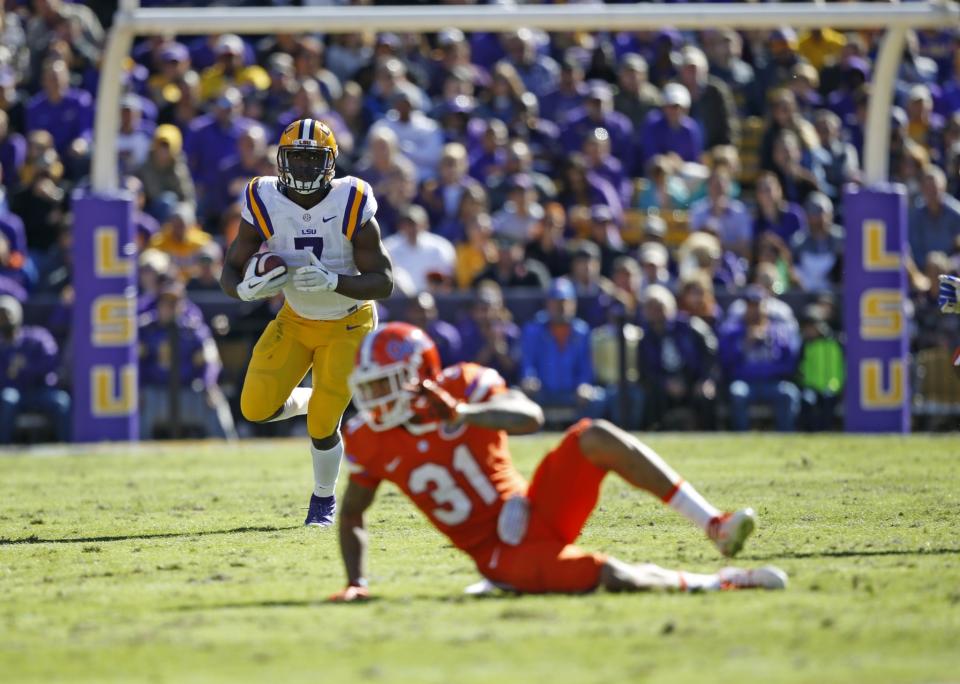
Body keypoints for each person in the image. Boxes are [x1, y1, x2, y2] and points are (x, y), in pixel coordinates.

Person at [329, 322, 786, 600]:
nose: (374, 400)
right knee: (611, 575)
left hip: (529, 508)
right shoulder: (370, 437)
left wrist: (464, 413)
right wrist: (357, 581)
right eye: (368, 388)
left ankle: (715, 525)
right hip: (502, 555)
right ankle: (723, 582)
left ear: (421, 378)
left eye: (385, 385)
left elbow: (530, 415)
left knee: (595, 436)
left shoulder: (466, 385)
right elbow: (351, 512)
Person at [219, 118, 394, 527]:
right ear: (280, 159)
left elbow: (384, 283)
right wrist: (243, 291)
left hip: (349, 324)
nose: (301, 167)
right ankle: (310, 399)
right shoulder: (261, 197)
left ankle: (323, 500)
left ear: (330, 162)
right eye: (295, 158)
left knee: (323, 424)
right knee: (255, 409)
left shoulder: (351, 199)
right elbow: (231, 268)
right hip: (295, 318)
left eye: (311, 158)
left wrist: (336, 280)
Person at [519, 278, 605, 421]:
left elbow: (586, 367)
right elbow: (528, 363)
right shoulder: (533, 330)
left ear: (574, 304)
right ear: (548, 304)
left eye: (565, 302)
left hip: (572, 394)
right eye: (556, 302)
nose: (561, 307)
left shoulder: (582, 331)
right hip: (542, 393)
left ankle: (580, 432)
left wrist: (584, 385)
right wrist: (529, 380)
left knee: (599, 398)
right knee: (517, 395)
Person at [0, 296, 70, 443]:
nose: (5, 319)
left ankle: (67, 445)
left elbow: (51, 362)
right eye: (1, 316)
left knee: (61, 402)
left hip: (40, 390)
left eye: (7, 315)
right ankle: (4, 448)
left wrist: (25, 368)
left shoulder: (37, 336)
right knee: (7, 399)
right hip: (16, 392)